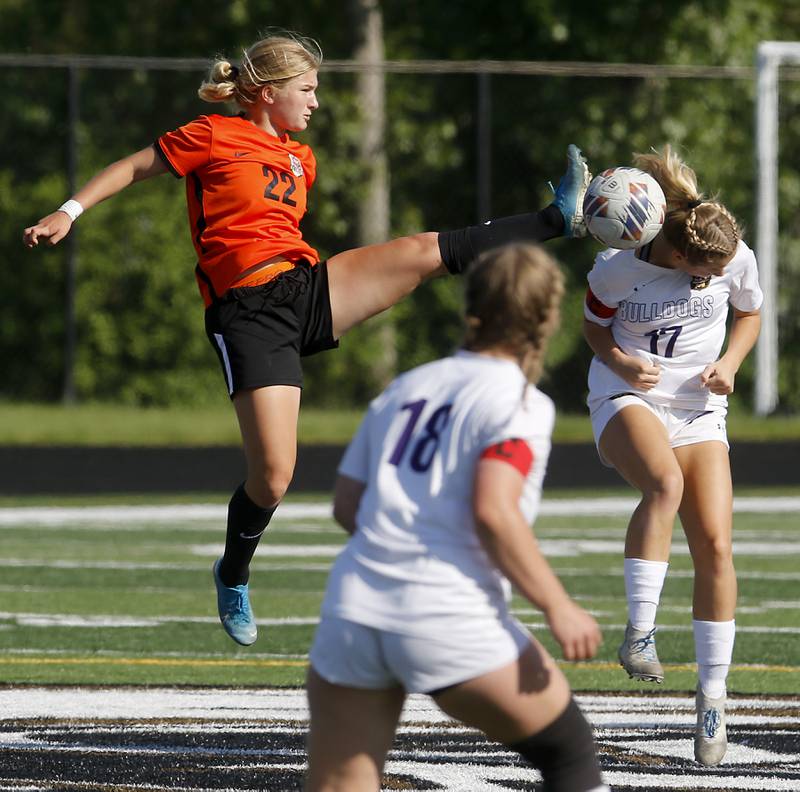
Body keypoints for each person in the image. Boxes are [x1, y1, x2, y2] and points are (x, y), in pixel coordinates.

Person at [23, 30, 592, 649]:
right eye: (307, 89)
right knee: (273, 476)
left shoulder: (302, 157)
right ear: (266, 93)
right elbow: (134, 166)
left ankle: (557, 219)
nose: (316, 102)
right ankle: (233, 571)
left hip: (307, 289)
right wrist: (69, 211)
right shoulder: (213, 133)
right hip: (249, 313)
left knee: (425, 251)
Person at [305, 244, 608, 792]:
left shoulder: (407, 386)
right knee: (569, 755)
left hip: (355, 608)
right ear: (546, 320)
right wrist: (558, 605)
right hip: (447, 615)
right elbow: (494, 510)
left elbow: (347, 505)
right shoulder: (520, 401)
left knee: (342, 782)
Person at [582, 145, 762, 766]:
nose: (713, 277)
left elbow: (750, 312)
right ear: (679, 254)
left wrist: (732, 364)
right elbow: (594, 327)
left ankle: (712, 697)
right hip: (626, 392)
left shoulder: (734, 257)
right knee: (664, 484)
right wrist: (623, 361)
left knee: (714, 543)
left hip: (698, 407)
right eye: (702, 272)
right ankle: (640, 633)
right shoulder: (615, 269)